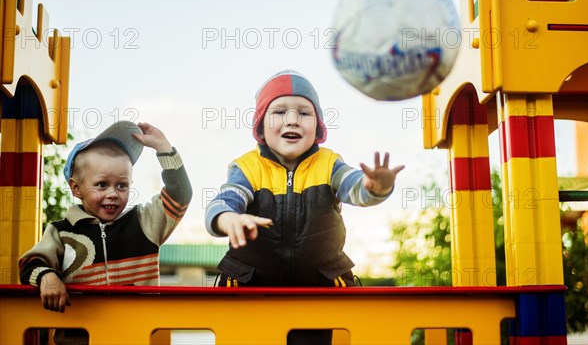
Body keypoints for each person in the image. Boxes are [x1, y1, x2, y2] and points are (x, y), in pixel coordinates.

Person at [205, 70, 404, 345]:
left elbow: (355, 187)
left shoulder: (329, 164)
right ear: (260, 127)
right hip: (251, 290)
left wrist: (375, 186)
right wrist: (228, 219)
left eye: (304, 113)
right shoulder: (247, 167)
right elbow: (226, 199)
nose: (292, 120)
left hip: (317, 291)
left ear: (319, 127)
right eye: (279, 112)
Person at [19, 121, 192, 318]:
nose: (113, 194)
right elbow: (29, 262)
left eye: (122, 186)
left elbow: (181, 195)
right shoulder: (61, 232)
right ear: (76, 188)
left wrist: (164, 148)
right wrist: (48, 277)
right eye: (102, 185)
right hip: (82, 335)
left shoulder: (145, 222)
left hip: (138, 334)